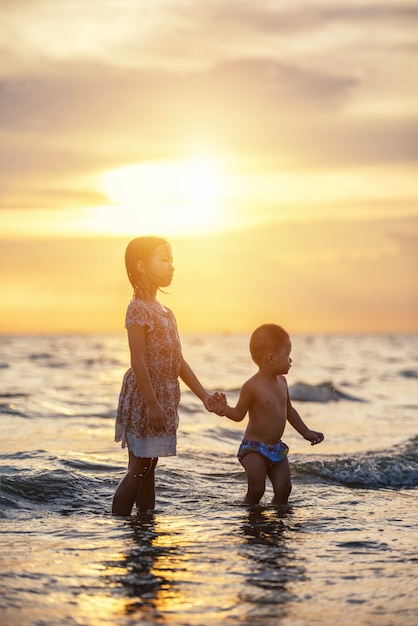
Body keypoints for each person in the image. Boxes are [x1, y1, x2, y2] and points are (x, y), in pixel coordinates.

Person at [112, 236, 222, 516]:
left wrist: (205, 396)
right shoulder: (138, 309)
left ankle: (145, 524)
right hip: (144, 398)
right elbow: (137, 360)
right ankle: (117, 523)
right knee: (140, 468)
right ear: (141, 265)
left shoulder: (167, 313)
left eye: (172, 260)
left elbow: (178, 362)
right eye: (164, 259)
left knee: (149, 467)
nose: (171, 266)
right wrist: (151, 403)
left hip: (164, 397)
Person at [213, 323, 324, 506]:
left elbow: (289, 410)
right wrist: (224, 409)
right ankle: (250, 520)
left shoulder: (283, 382)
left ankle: (277, 527)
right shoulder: (251, 386)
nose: (291, 360)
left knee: (284, 490)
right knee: (257, 490)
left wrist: (306, 432)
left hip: (276, 448)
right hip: (254, 449)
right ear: (271, 358)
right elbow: (239, 414)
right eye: (287, 355)